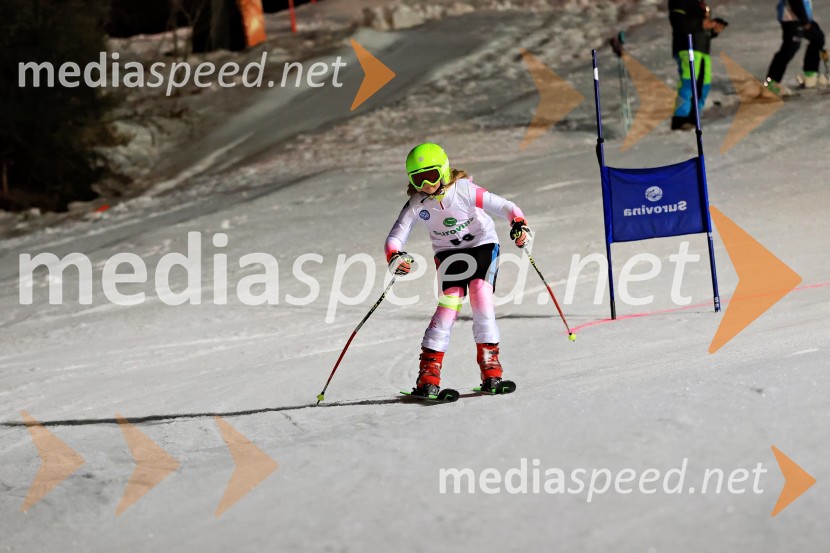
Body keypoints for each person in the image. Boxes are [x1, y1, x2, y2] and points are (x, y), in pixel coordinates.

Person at [384, 143, 531, 397]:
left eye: (431, 176)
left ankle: (491, 372)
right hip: (449, 254)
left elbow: (506, 207)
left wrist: (518, 224)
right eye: (418, 179)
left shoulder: (463, 190)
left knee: (480, 292)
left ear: (443, 170)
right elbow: (395, 237)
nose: (426, 184)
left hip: (482, 245)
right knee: (449, 303)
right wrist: (395, 256)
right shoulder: (418, 202)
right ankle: (428, 375)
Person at [668, 0, 727, 130]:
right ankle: (680, 119)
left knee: (703, 85)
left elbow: (701, 29)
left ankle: (693, 118)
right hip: (686, 47)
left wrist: (714, 29)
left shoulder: (700, 4)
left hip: (702, 50)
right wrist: (702, 24)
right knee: (689, 83)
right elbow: (679, 23)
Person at [765, 0, 827, 96]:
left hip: (801, 18)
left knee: (817, 38)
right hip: (791, 18)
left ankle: (810, 74)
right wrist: (804, 21)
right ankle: (771, 82)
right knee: (789, 48)